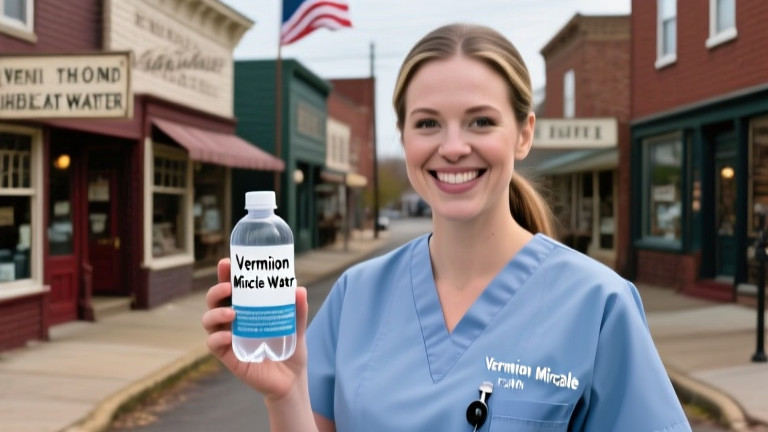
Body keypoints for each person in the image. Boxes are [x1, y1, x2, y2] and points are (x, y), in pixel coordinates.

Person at [202, 23, 692, 432]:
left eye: (480, 122)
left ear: (524, 134)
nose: (453, 147)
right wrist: (285, 395)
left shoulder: (598, 306)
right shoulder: (356, 297)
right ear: (404, 137)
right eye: (428, 123)